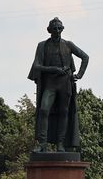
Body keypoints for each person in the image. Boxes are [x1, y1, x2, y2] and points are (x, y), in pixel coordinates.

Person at [27, 17, 89, 152]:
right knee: (44, 110)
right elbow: (37, 66)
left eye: (59, 28)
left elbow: (85, 57)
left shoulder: (68, 45)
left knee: (64, 112)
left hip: (65, 83)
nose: (57, 30)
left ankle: (60, 143)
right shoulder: (42, 45)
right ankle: (42, 143)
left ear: (62, 29)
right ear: (49, 30)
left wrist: (79, 75)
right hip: (50, 84)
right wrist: (53, 69)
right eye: (54, 28)